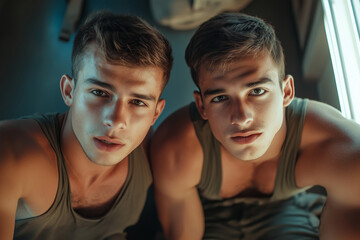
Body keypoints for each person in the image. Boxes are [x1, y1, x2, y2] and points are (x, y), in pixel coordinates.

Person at [150, 12, 360, 240]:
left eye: (257, 91)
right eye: (220, 98)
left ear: (286, 91)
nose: (241, 117)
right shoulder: (175, 148)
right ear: (202, 106)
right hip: (206, 215)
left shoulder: (339, 147)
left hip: (287, 210)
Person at [0, 11, 172, 240]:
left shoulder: (153, 151)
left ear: (155, 113)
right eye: (100, 93)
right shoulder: (11, 154)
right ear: (69, 91)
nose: (116, 121)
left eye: (138, 102)